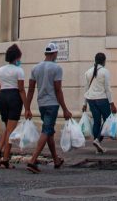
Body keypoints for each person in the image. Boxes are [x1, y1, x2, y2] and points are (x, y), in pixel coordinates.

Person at [23, 42, 72, 174]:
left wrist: (27, 108)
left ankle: (56, 160)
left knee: (49, 131)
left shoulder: (35, 68)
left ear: (45, 53)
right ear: (55, 53)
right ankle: (32, 160)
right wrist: (65, 109)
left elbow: (31, 89)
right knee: (46, 130)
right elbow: (58, 90)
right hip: (52, 104)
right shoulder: (57, 68)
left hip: (41, 104)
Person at [0, 44, 26, 168]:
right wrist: (27, 107)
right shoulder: (19, 71)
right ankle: (5, 158)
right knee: (11, 130)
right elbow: (21, 90)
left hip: (2, 97)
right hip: (14, 97)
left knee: (7, 127)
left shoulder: (0, 70)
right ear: (16, 58)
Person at [81, 52, 116, 154]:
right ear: (104, 61)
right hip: (102, 99)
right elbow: (107, 88)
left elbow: (86, 89)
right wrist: (112, 103)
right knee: (107, 119)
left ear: (95, 60)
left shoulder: (88, 72)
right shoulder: (105, 72)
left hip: (91, 100)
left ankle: (98, 146)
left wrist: (84, 103)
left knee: (97, 121)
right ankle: (97, 140)